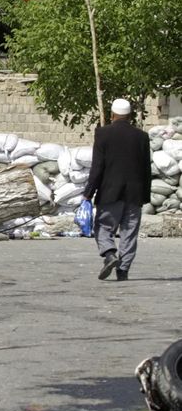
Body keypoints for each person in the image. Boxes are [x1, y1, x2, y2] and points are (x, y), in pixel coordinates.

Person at [82, 99, 151, 281]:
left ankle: (110, 254)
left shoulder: (103, 134)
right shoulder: (141, 136)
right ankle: (123, 270)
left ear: (112, 115)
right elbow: (146, 169)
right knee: (129, 232)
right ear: (129, 116)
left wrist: (88, 193)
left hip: (110, 192)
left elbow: (97, 167)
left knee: (103, 227)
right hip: (135, 194)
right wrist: (145, 195)